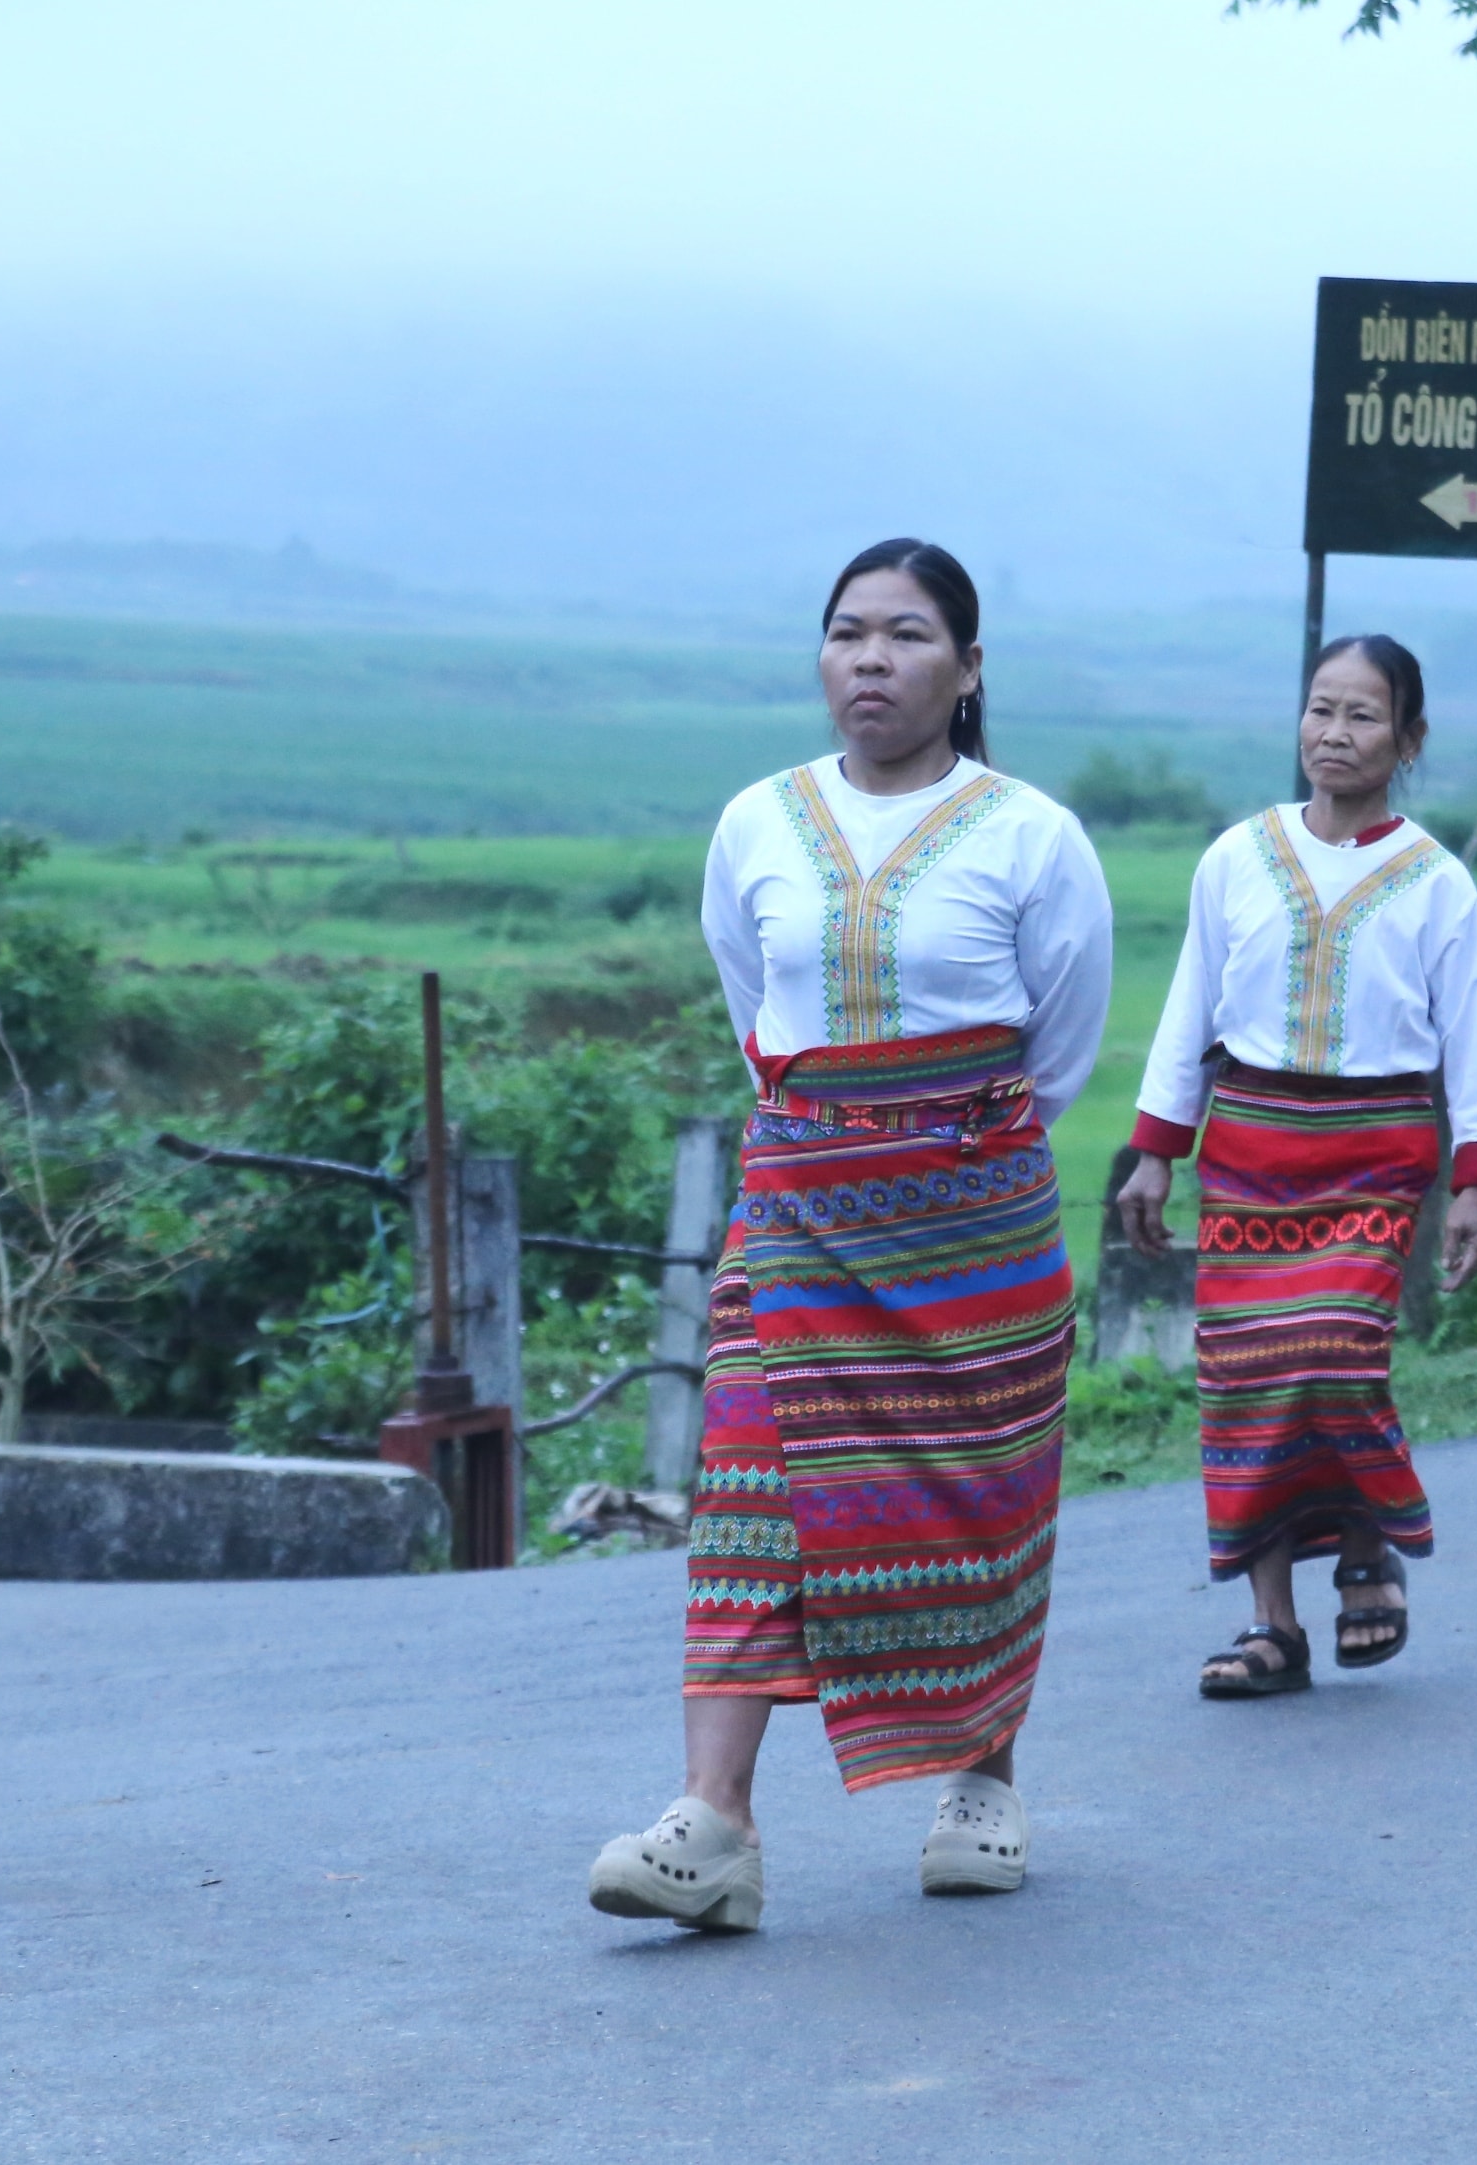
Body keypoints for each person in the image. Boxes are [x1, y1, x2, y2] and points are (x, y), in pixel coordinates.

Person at [586, 538, 1112, 1931]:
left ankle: (980, 1782)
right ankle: (713, 1824)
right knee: (751, 1495)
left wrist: (936, 1148)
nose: (869, 659)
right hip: (800, 1221)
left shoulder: (1030, 834)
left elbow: (1058, 1043)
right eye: (845, 634)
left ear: (968, 667)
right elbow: (754, 1004)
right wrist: (847, 1138)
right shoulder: (759, 820)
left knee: (971, 1509)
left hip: (973, 1242)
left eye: (904, 634)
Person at [1111, 635, 1477, 1698]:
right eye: (1319, 709)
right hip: (1249, 1146)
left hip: (1372, 1155)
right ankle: (1272, 1624)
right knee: (1247, 1384)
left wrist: (1476, 1181)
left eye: (1362, 716)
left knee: (1332, 1352)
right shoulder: (1236, 857)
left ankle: (1370, 1534)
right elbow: (1189, 1006)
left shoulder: (1436, 883)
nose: (1333, 733)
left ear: (1409, 740)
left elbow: (1473, 1037)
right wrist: (1157, 1149)